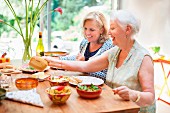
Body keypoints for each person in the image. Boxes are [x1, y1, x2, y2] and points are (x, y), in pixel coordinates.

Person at [44, 10, 155, 113]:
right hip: (115, 107)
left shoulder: (143, 58)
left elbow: (150, 97)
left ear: (127, 29)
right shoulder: (114, 52)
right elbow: (85, 66)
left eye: (113, 28)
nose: (109, 33)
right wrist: (49, 61)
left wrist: (133, 94)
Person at [58, 11, 113, 81]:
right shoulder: (85, 42)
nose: (87, 33)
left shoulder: (108, 47)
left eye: (92, 30)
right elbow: (77, 58)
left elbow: (106, 77)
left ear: (101, 30)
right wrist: (58, 59)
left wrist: (84, 65)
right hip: (82, 84)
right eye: (85, 28)